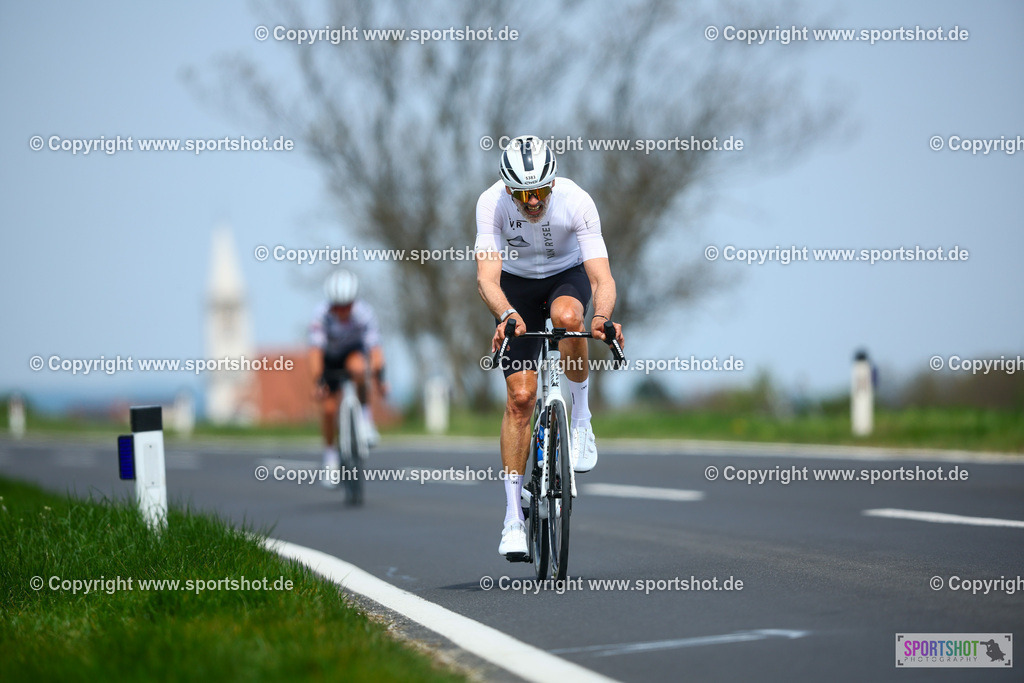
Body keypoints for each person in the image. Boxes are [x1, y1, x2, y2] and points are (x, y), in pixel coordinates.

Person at [474, 135, 624, 559]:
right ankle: (511, 520)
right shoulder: (491, 204)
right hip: (515, 287)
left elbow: (602, 279)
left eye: (540, 191)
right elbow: (486, 278)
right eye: (524, 193)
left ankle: (580, 420)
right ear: (508, 190)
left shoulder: (577, 201)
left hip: (565, 277)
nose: (534, 201)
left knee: (569, 321)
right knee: (520, 397)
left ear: (552, 184)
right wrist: (505, 314)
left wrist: (602, 318)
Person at [309, 269, 387, 483]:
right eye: (338, 306)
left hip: (353, 353)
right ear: (331, 303)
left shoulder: (364, 313)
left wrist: (380, 379)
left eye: (347, 306)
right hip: (330, 358)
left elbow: (375, 350)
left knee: (359, 368)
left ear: (354, 302)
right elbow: (315, 352)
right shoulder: (321, 315)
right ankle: (330, 456)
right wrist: (318, 381)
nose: (342, 311)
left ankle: (365, 419)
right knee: (328, 408)